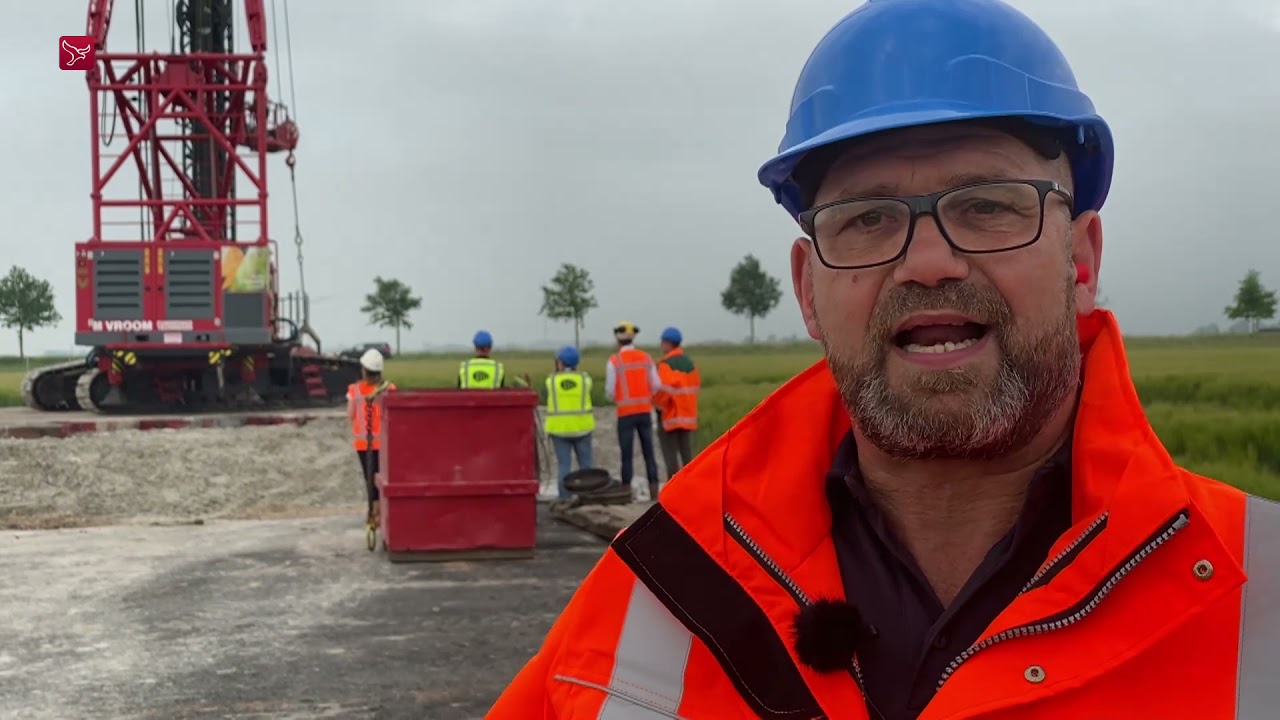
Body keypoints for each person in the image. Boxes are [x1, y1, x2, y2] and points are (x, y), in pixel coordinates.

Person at [487, 1, 1280, 718]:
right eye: (867, 219)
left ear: (1080, 257)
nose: (928, 263)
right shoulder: (663, 587)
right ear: (806, 290)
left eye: (988, 206)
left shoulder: (1260, 597)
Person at [604, 321, 662, 500]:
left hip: (625, 414)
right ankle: (654, 493)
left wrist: (617, 399)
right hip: (645, 412)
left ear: (617, 339)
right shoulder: (646, 358)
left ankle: (626, 492)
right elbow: (657, 385)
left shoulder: (614, 361)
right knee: (649, 454)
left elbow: (610, 391)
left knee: (626, 455)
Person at [346, 349, 395, 529]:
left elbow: (350, 415)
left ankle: (373, 513)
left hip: (363, 444)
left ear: (364, 370)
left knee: (370, 479)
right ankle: (383, 512)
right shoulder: (390, 389)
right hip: (385, 444)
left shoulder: (355, 390)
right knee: (384, 479)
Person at [542, 345, 595, 499]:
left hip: (559, 430)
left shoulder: (551, 381)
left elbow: (546, 396)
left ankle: (564, 499)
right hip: (583, 429)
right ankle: (587, 497)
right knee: (586, 466)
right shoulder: (585, 379)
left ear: (560, 362)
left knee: (564, 466)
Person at [653, 325, 700, 479]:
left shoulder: (665, 364)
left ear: (667, 343)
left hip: (670, 416)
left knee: (670, 457)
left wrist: (658, 407)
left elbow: (663, 390)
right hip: (688, 416)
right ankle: (691, 487)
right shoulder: (691, 364)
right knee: (687, 455)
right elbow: (695, 387)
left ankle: (673, 492)